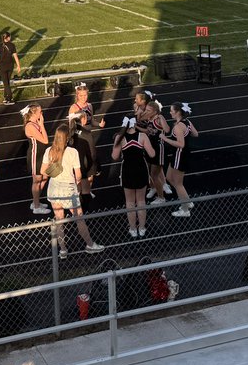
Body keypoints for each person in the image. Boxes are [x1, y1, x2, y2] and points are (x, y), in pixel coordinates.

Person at [41, 124, 105, 255]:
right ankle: (90, 244)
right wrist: (78, 184)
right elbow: (79, 175)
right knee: (79, 218)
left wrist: (55, 171)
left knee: (59, 220)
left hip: (53, 190)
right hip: (69, 191)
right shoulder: (72, 152)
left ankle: (63, 250)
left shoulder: (49, 151)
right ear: (67, 138)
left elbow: (42, 171)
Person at [113, 117, 153, 237]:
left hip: (127, 171)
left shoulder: (120, 138)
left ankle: (132, 229)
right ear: (135, 124)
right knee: (141, 201)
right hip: (141, 170)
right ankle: (142, 228)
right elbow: (152, 154)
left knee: (129, 202)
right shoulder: (143, 136)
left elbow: (115, 156)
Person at [159, 103, 198, 217]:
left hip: (179, 156)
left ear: (178, 112)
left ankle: (185, 210)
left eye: (172, 111)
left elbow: (181, 144)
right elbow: (195, 134)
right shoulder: (187, 121)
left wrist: (165, 139)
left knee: (178, 184)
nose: (170, 112)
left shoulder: (177, 127)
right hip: (181, 155)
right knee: (169, 178)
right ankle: (187, 201)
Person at [23, 104, 51, 215]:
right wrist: (42, 125)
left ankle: (36, 201)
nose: (41, 113)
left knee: (45, 177)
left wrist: (40, 124)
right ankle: (36, 206)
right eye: (40, 111)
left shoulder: (36, 123)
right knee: (37, 180)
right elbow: (45, 140)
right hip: (35, 156)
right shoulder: (30, 126)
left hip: (42, 154)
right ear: (34, 113)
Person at [0, 30, 20, 104]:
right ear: (8, 37)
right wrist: (18, 65)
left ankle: (10, 98)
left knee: (6, 83)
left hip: (2, 67)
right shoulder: (12, 45)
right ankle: (6, 97)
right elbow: (15, 56)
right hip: (10, 66)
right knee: (7, 82)